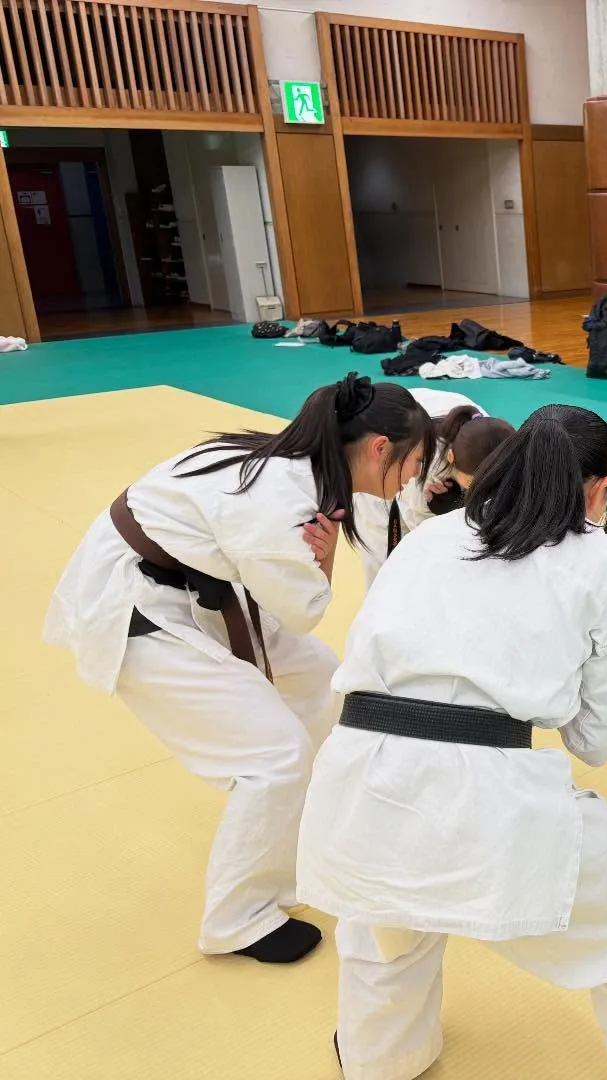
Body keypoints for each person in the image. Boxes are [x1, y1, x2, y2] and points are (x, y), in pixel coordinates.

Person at [296, 404, 607, 1080]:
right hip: (482, 798)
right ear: (600, 489)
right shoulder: (604, 565)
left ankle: (381, 1059)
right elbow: (597, 739)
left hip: (354, 779)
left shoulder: (429, 539)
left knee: (386, 909)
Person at [43, 373, 431, 964]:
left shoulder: (293, 462)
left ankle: (301, 838)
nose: (411, 479)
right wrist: (322, 562)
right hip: (136, 610)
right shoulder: (283, 499)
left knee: (319, 679)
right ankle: (236, 919)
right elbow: (302, 610)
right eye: (413, 462)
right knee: (272, 757)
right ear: (380, 448)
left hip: (190, 591)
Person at [351, 387, 487, 587]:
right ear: (452, 459)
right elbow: (419, 530)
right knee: (386, 570)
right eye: (470, 484)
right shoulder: (428, 463)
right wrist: (433, 505)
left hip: (416, 421)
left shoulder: (495, 442)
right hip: (382, 466)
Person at [422, 404, 515, 515]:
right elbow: (414, 522)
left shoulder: (493, 436)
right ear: (451, 456)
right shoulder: (425, 463)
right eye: (474, 484)